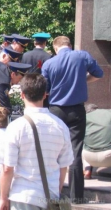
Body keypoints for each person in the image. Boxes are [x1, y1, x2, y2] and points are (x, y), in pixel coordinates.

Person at [41, 35, 103, 204]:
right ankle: (77, 197)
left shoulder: (49, 63)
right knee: (75, 152)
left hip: (55, 111)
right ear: (69, 45)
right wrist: (83, 80)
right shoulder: (82, 56)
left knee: (53, 151)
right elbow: (99, 74)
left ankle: (52, 193)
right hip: (77, 110)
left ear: (55, 48)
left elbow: (45, 90)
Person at [0, 73, 74, 210]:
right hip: (50, 196)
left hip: (23, 195)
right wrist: (55, 191)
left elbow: (7, 168)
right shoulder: (60, 126)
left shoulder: (16, 127)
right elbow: (64, 165)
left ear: (22, 95)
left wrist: (3, 198)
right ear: (45, 94)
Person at [82, 104, 111, 179]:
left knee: (82, 143)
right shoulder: (107, 113)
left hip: (88, 157)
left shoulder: (84, 118)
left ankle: (87, 171)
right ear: (96, 109)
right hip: (108, 156)